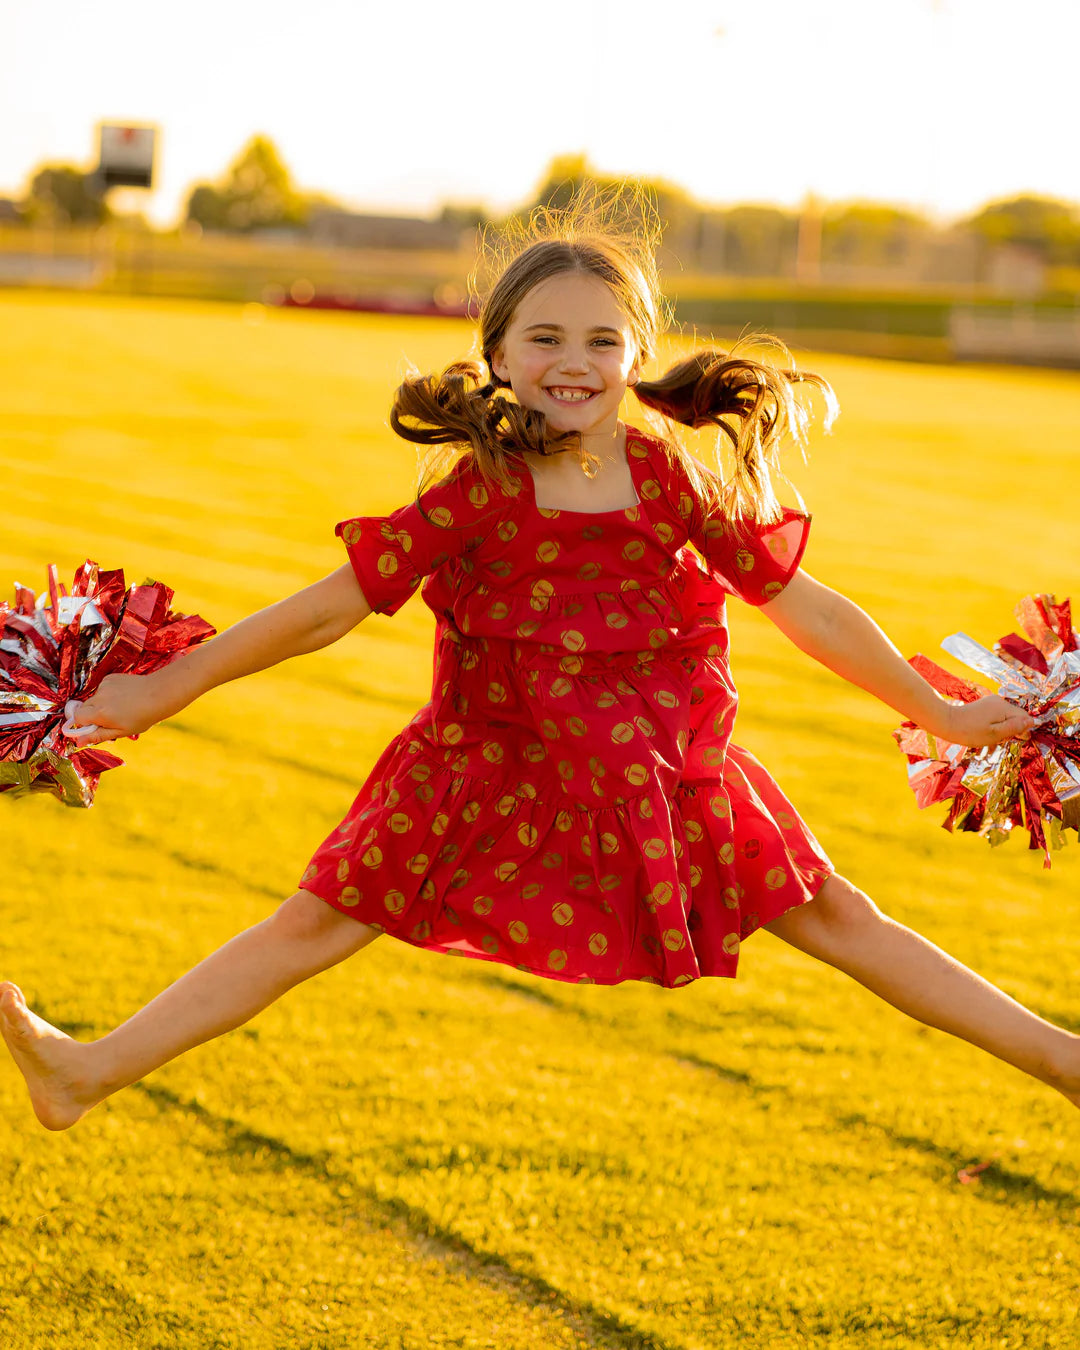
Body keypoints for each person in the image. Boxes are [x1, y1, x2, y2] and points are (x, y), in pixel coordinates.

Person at [3, 205, 1077, 1134]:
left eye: (603, 339)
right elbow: (321, 613)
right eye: (547, 336)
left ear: (637, 353)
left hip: (665, 778)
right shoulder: (480, 489)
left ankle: (1065, 1066)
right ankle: (85, 1069)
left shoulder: (667, 476)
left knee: (843, 918)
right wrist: (151, 693)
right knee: (310, 926)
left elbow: (802, 604)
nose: (576, 360)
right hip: (486, 773)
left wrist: (937, 705)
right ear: (501, 352)